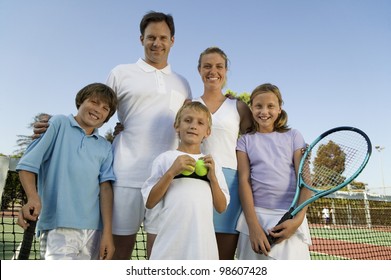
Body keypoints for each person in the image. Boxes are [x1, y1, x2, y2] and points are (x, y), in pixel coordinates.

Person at [32, 11, 192, 259]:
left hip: (167, 178)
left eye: (162, 37)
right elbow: (96, 108)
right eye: (151, 37)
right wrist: (56, 124)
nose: (156, 43)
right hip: (125, 174)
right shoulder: (121, 72)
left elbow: (192, 121)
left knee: (160, 254)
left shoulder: (183, 83)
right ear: (141, 39)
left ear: (172, 40)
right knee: (116, 253)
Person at [16, 83, 117, 260]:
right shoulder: (58, 123)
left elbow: (106, 189)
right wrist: (33, 197)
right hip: (58, 226)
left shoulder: (105, 146)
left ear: (107, 116)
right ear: (80, 101)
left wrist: (107, 233)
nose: (97, 110)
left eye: (105, 108)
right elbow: (27, 165)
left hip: (95, 231)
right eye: (93, 102)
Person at [141, 101, 230, 259]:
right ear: (177, 126)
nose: (193, 126)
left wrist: (213, 179)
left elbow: (221, 207)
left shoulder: (212, 162)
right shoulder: (165, 159)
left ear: (207, 132)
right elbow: (150, 202)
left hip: (202, 244)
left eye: (200, 122)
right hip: (170, 241)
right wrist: (171, 173)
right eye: (188, 120)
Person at [235, 83, 312, 260]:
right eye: (258, 106)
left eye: (271, 106)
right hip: (256, 217)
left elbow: (306, 181)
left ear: (279, 109)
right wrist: (253, 227)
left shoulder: (294, 136)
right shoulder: (245, 141)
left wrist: (297, 221)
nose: (264, 111)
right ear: (251, 108)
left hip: (290, 217)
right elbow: (244, 182)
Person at [195, 47, 253, 259]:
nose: (213, 71)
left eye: (219, 66)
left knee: (224, 257)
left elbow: (256, 143)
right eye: (207, 66)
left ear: (226, 71)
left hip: (230, 183)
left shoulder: (238, 106)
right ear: (199, 70)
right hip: (196, 181)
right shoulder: (189, 105)